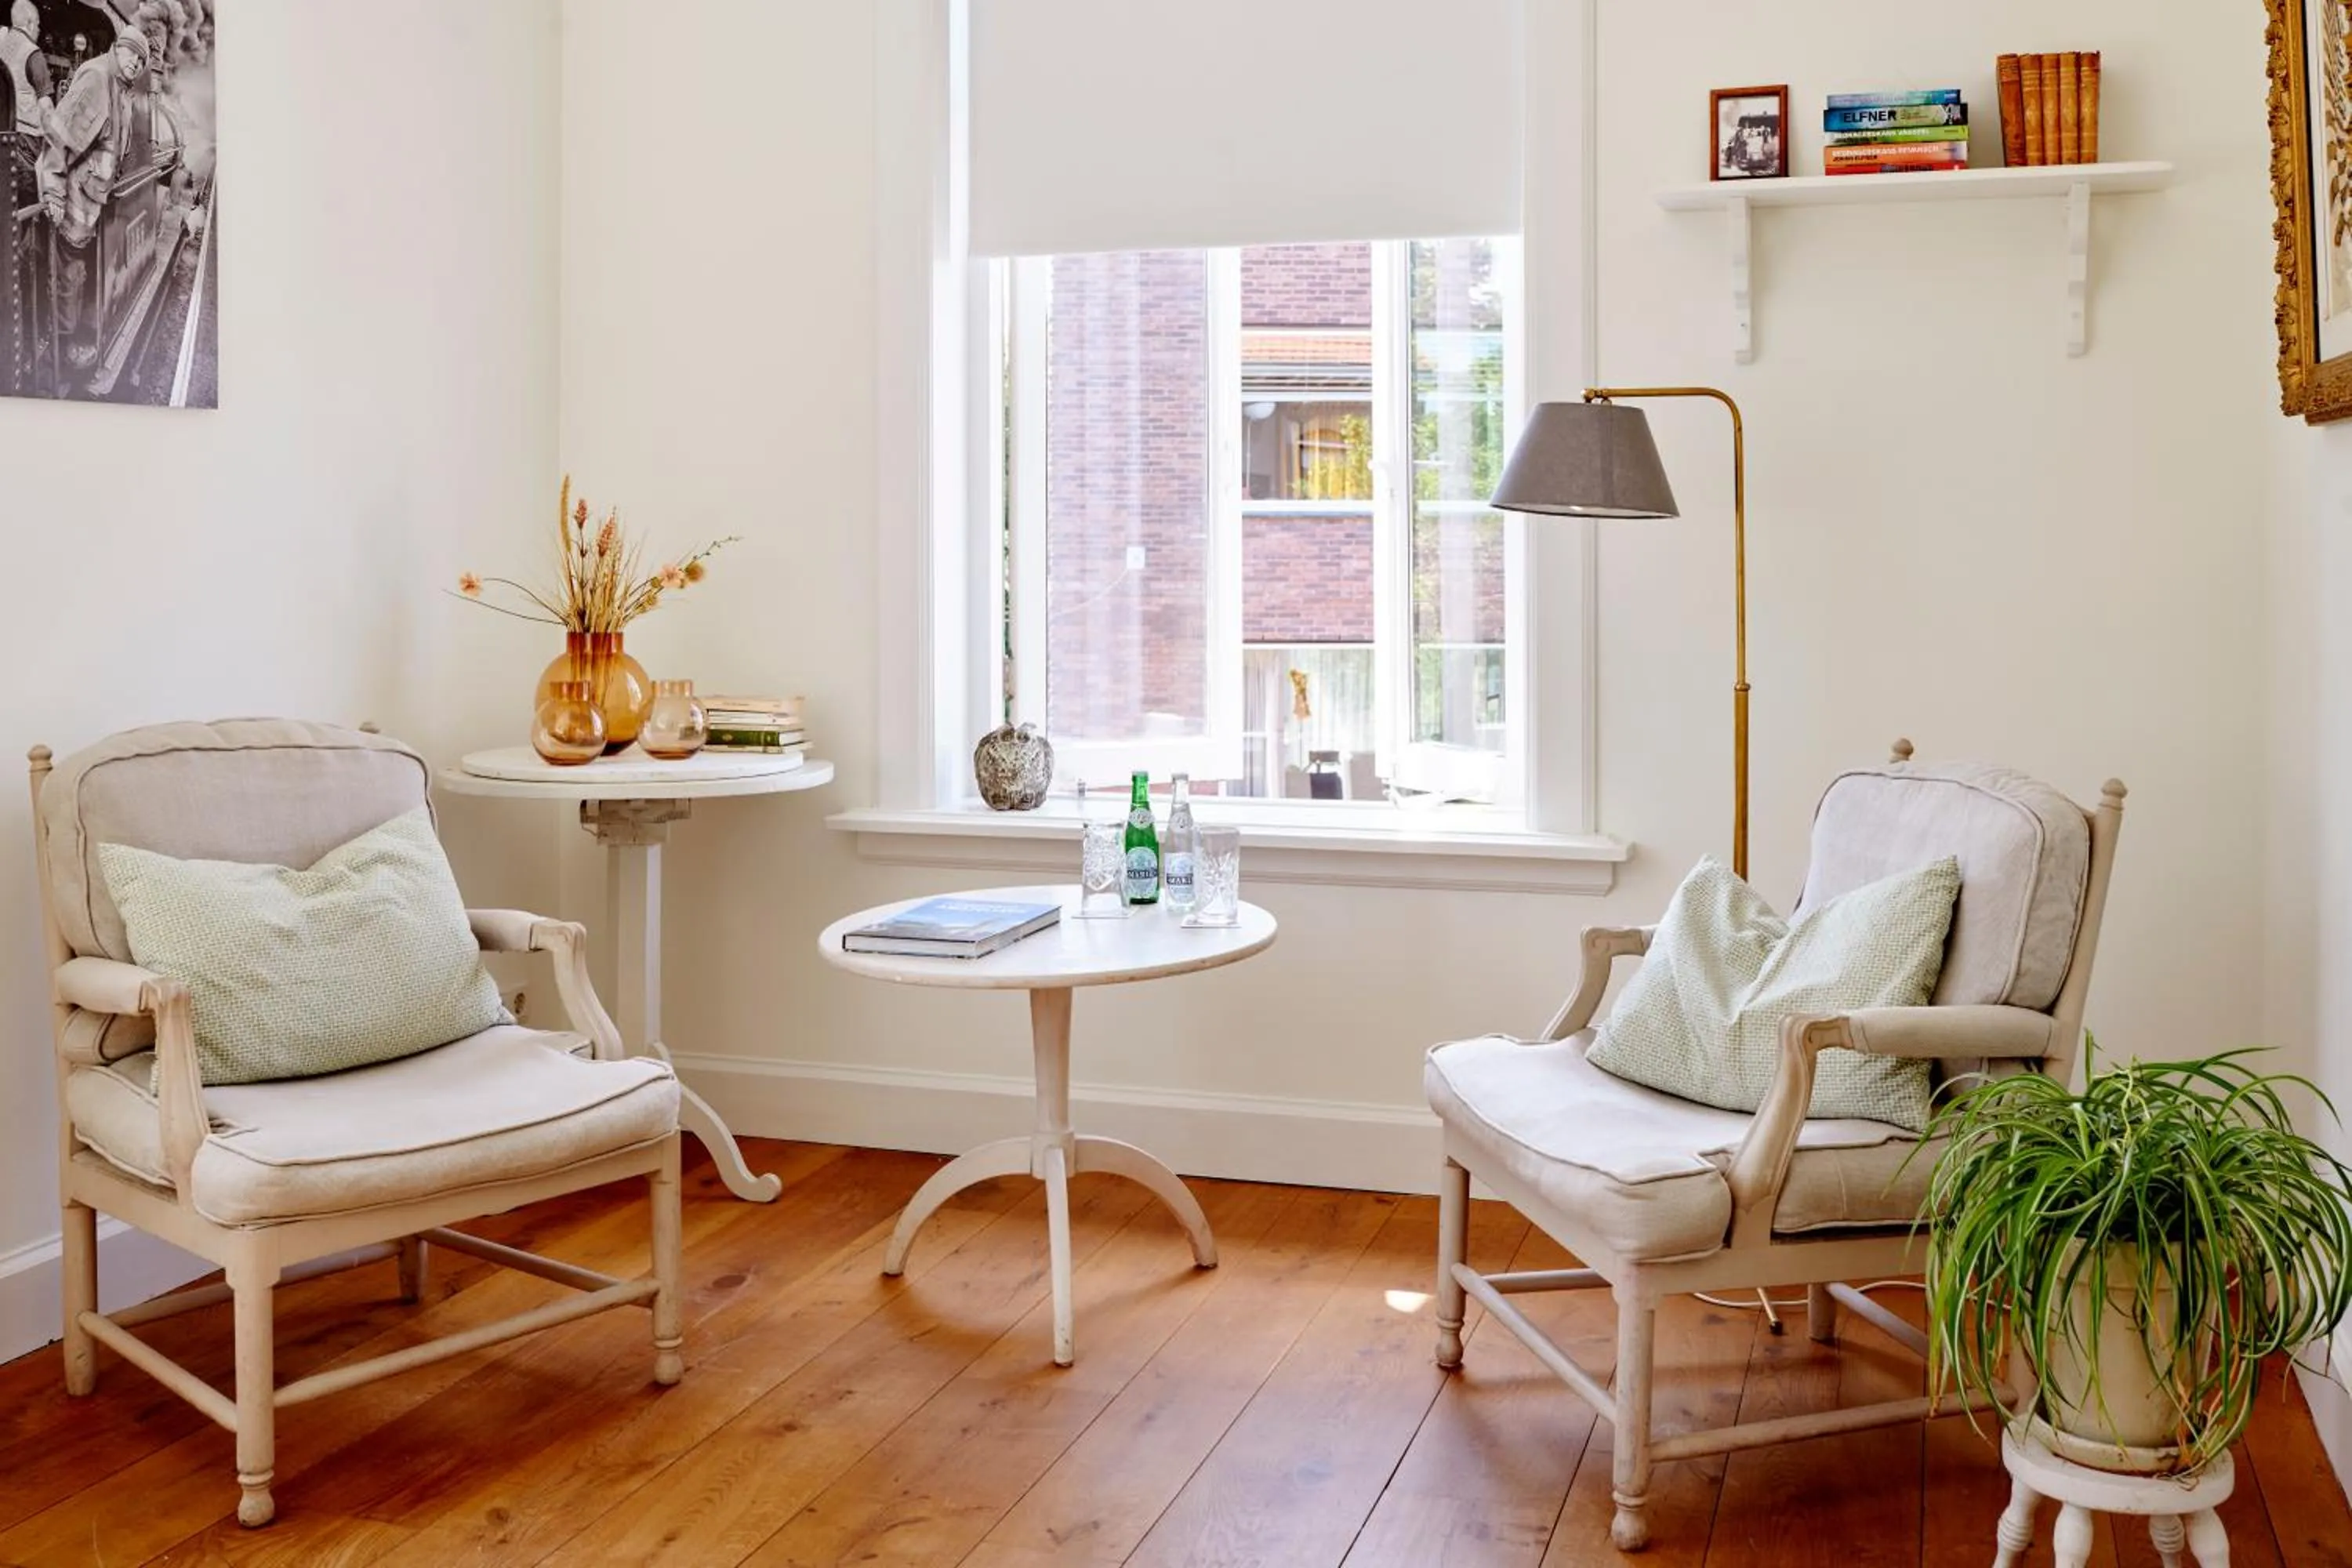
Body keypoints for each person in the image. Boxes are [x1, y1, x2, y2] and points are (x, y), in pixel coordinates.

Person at [37, 27, 147, 371]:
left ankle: (65, 345)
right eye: (132, 54)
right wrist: (53, 189)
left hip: (90, 203)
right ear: (119, 49)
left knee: (75, 273)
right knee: (68, 276)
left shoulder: (121, 89)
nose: (136, 63)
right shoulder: (98, 79)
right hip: (73, 202)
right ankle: (58, 355)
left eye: (142, 60)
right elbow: (60, 134)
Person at [1, 0, 50, 138]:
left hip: (4, 134)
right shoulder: (33, 53)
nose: (39, 30)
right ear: (30, 24)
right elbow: (46, 107)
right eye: (38, 25)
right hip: (27, 136)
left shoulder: (2, 44)